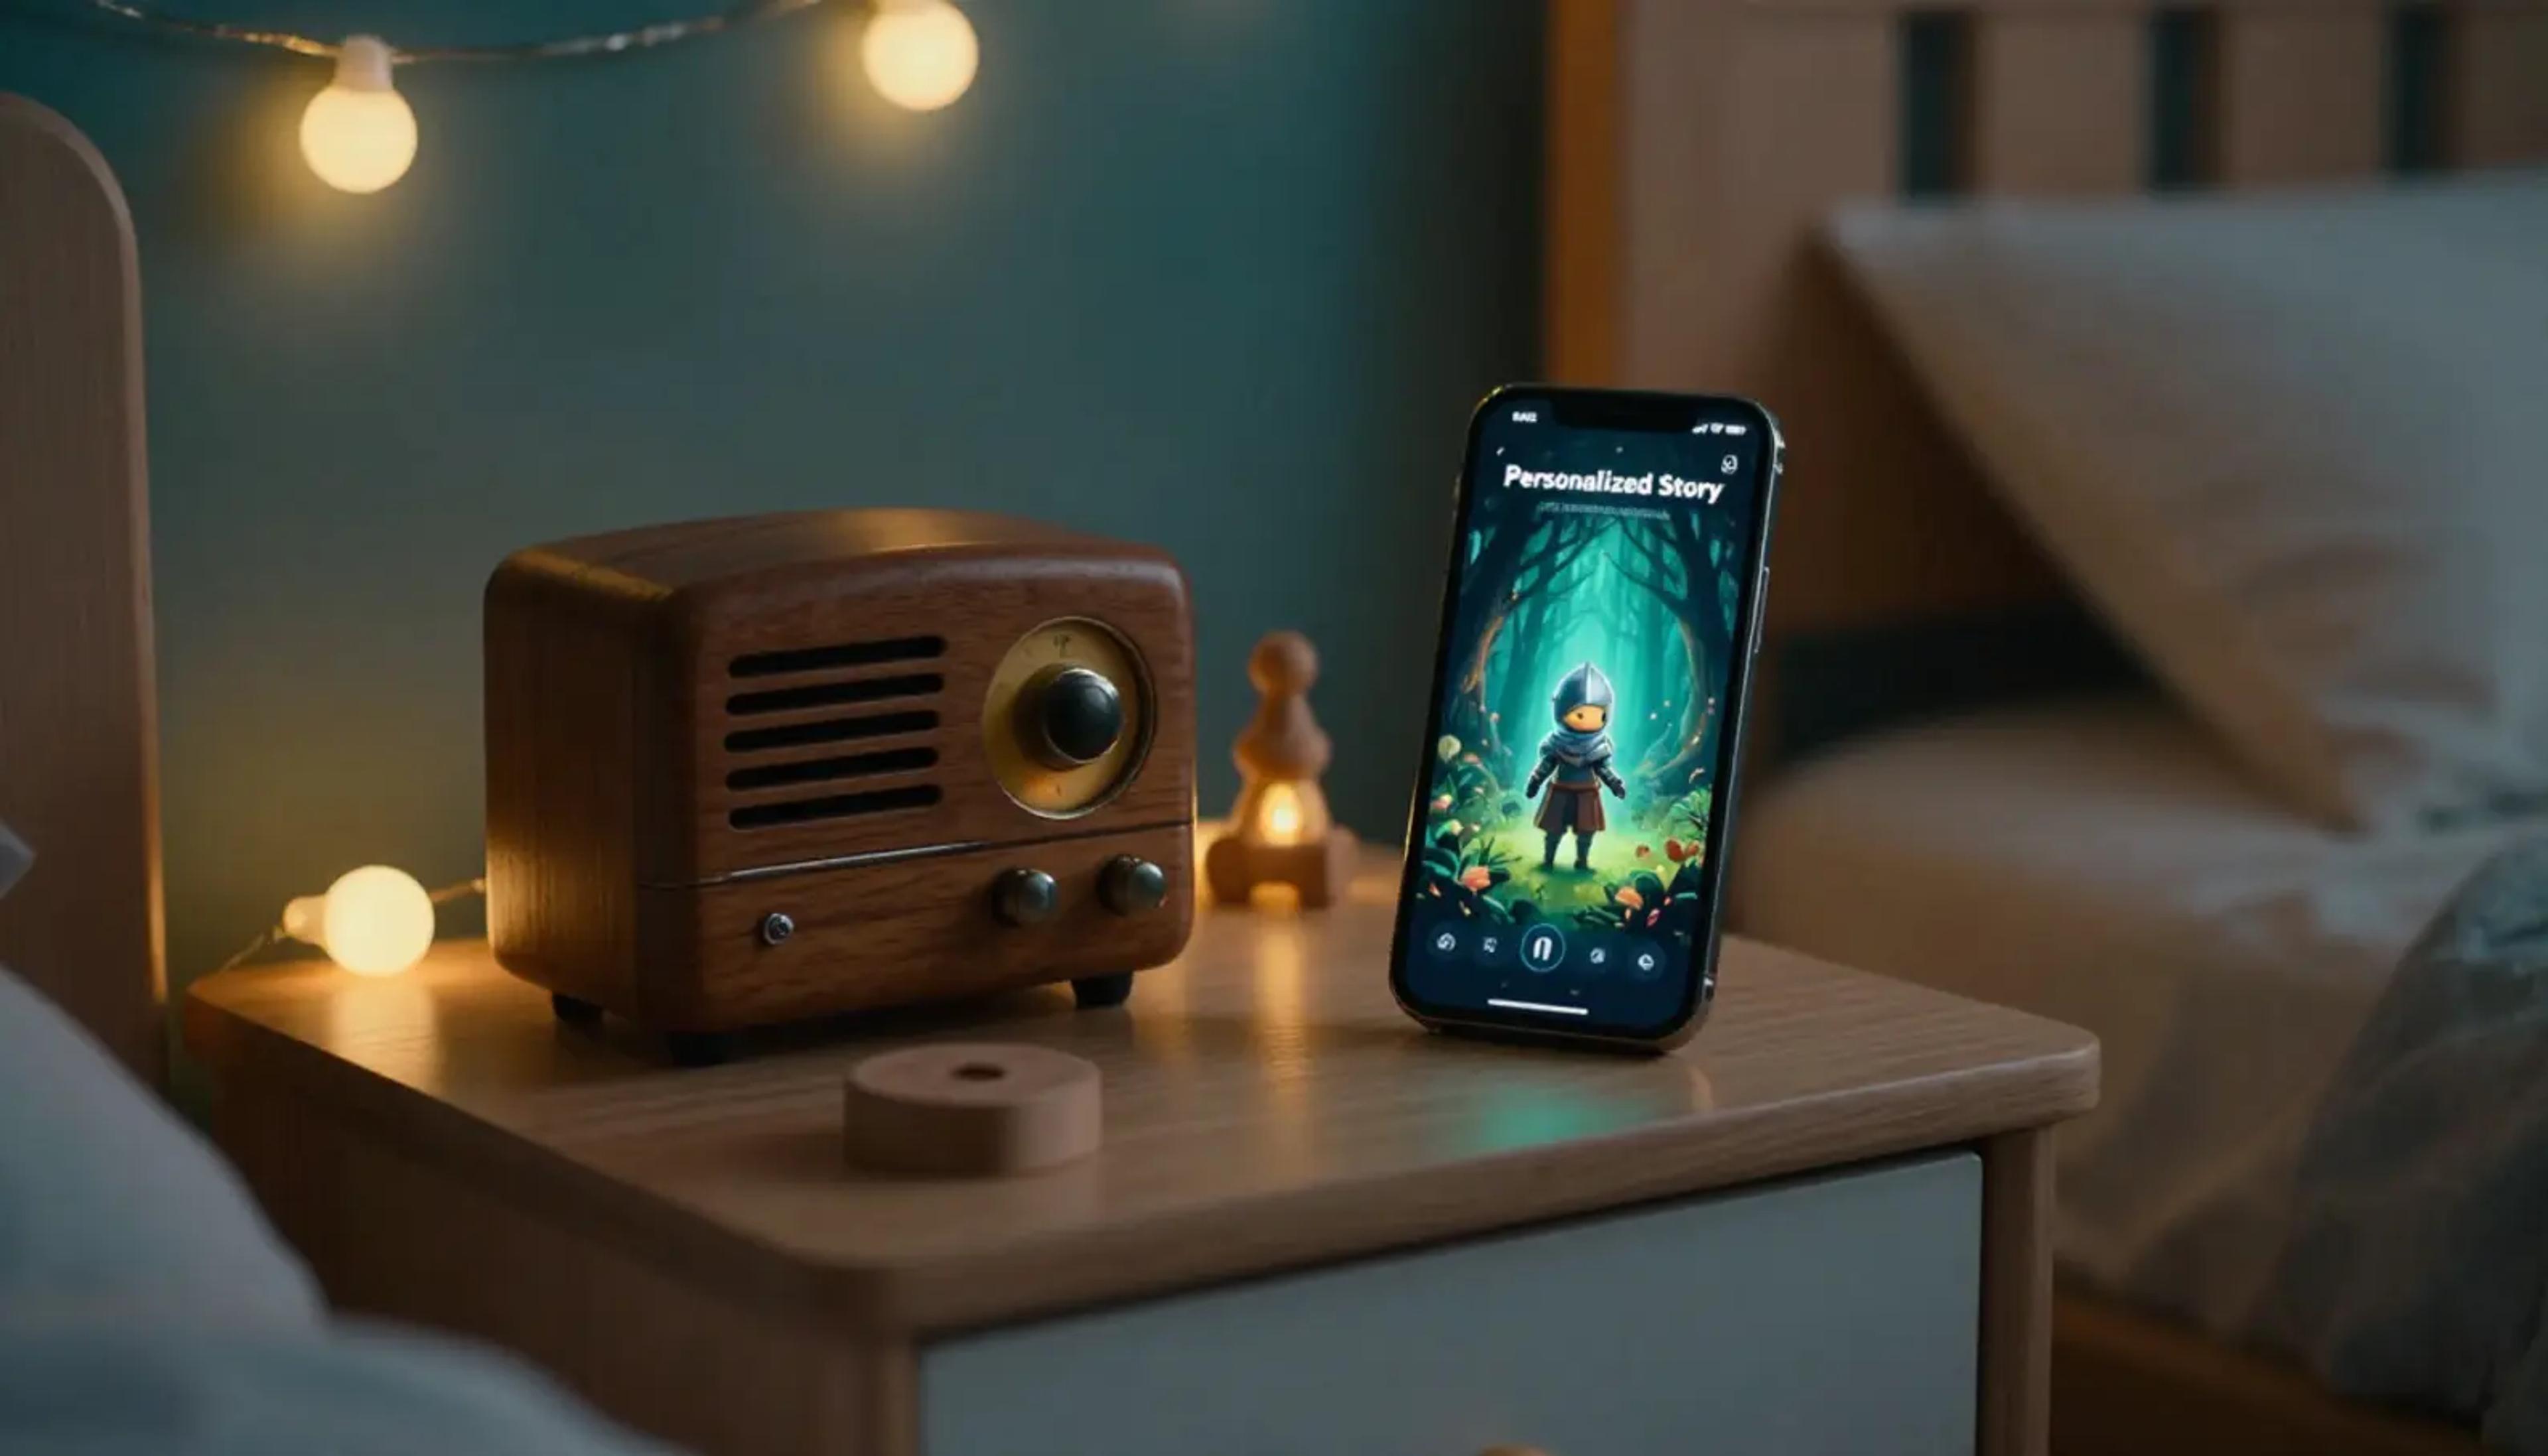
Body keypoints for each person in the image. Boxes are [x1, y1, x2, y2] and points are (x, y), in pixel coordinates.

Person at [1525, 662, 1628, 870]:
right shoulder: (1557, 744)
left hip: (1587, 792)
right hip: (1561, 790)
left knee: (1586, 831)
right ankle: (1548, 859)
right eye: (1580, 714)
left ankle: (1582, 861)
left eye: (1598, 715)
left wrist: (1615, 784)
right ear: (1562, 711)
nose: (1588, 722)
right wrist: (1535, 781)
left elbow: (1603, 770)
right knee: (1554, 829)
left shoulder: (1599, 746)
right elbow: (1546, 765)